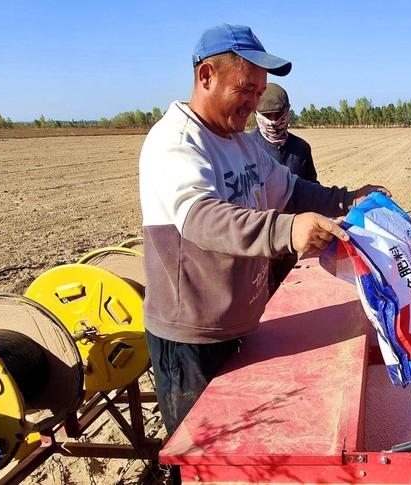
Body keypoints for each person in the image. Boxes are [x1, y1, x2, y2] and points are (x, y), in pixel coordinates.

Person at [138, 23, 388, 482]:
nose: (255, 103)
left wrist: (346, 198)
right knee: (205, 461)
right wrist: (287, 231)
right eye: (246, 89)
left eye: (259, 92)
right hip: (192, 336)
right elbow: (201, 218)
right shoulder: (176, 141)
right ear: (207, 75)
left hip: (241, 321)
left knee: (244, 455)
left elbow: (289, 188)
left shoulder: (240, 143)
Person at [251, 83, 318, 295]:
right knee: (260, 297)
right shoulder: (246, 147)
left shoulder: (301, 148)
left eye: (277, 114)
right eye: (266, 115)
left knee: (288, 295)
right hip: (258, 244)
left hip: (290, 240)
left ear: (287, 112)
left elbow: (311, 188)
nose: (273, 121)